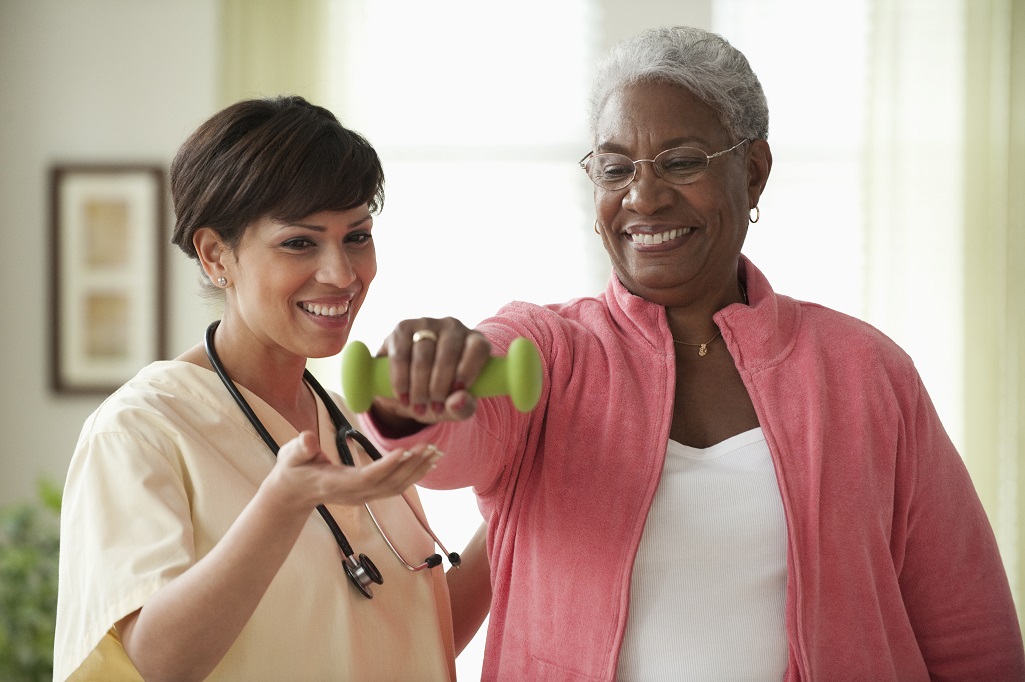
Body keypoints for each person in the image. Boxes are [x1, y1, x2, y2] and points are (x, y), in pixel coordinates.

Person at [357, 26, 1025, 681]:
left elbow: (967, 630)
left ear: (753, 173)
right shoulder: (545, 348)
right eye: (615, 168)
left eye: (680, 162)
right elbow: (448, 445)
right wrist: (414, 391)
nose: (643, 197)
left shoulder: (865, 371)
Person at [53, 95, 486, 681]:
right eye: (299, 243)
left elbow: (412, 637)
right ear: (216, 256)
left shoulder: (351, 427)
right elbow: (158, 663)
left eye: (357, 237)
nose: (342, 273)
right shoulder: (141, 430)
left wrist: (524, 500)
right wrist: (281, 505)